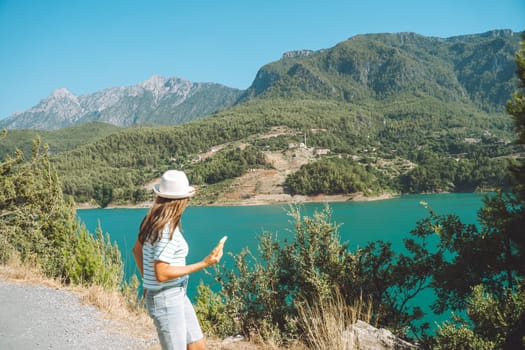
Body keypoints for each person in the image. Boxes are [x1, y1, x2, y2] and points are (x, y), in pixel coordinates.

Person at [132, 170, 224, 350]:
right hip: (166, 299)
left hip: (177, 294)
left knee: (198, 347)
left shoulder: (152, 221)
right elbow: (162, 273)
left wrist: (147, 281)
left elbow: (137, 251)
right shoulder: (167, 230)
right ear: (182, 200)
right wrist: (205, 263)